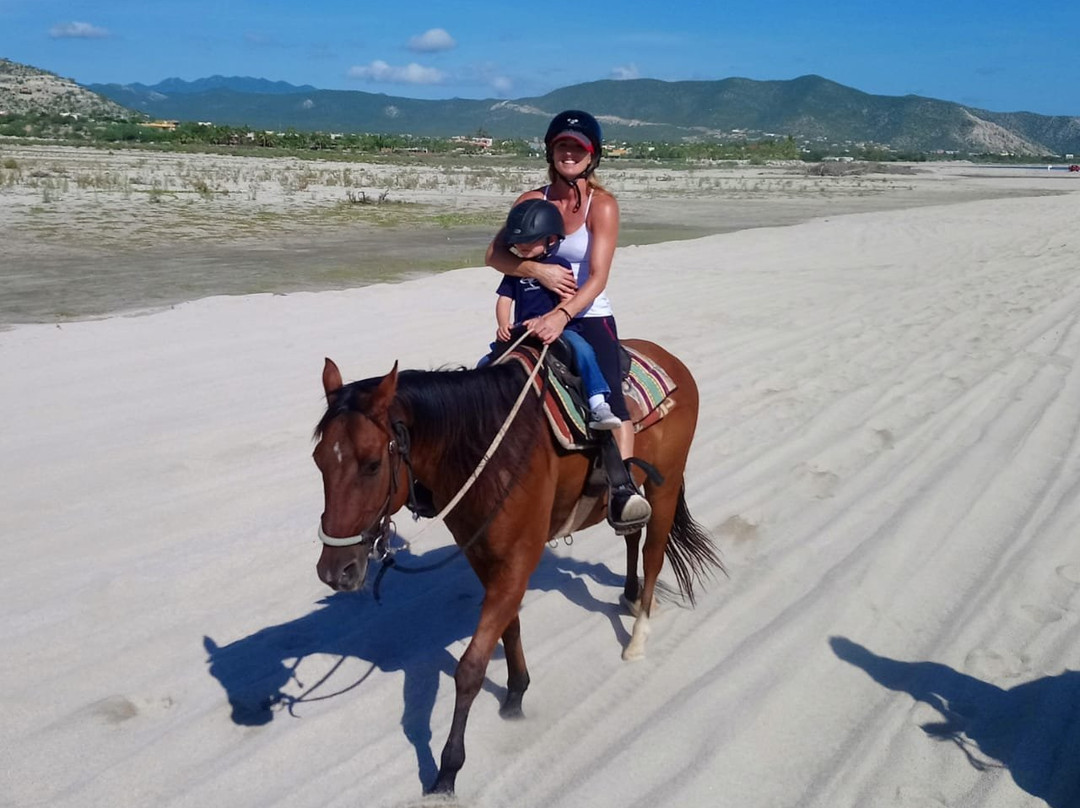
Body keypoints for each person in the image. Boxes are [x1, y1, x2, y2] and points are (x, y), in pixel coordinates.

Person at [485, 109, 651, 533]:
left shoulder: (603, 206)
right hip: (529, 312)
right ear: (550, 150)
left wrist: (562, 315)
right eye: (562, 146)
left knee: (611, 399)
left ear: (591, 156)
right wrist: (536, 271)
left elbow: (596, 277)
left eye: (578, 148)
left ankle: (623, 490)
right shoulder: (528, 201)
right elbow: (495, 256)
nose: (569, 154)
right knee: (485, 384)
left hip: (588, 314)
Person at [489, 199, 621, 430]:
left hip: (561, 329)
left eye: (529, 241)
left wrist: (549, 318)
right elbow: (504, 299)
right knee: (487, 363)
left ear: (551, 239)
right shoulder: (515, 269)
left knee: (583, 350)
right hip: (523, 329)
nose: (522, 247)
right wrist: (504, 324)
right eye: (518, 243)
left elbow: (568, 298)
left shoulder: (560, 266)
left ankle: (598, 403)